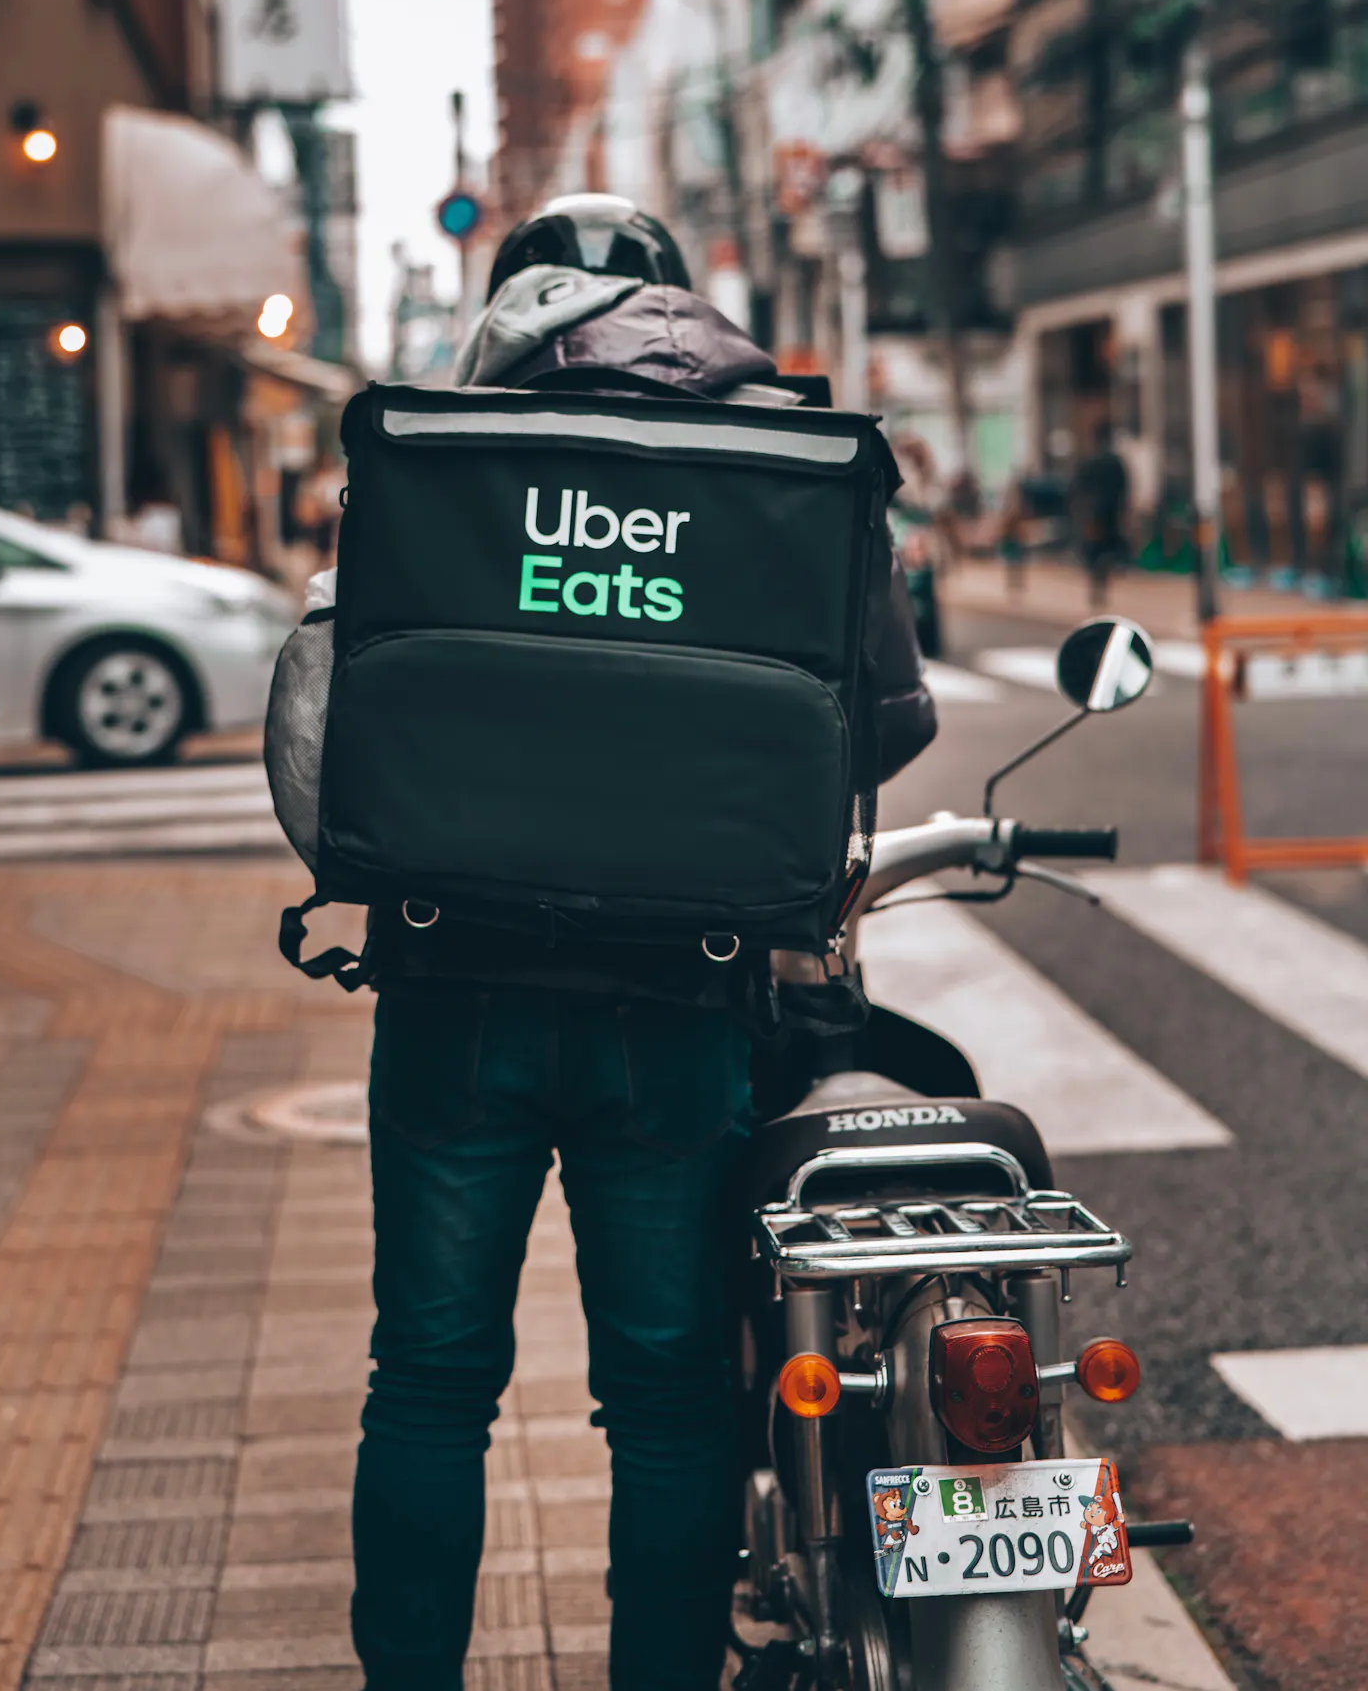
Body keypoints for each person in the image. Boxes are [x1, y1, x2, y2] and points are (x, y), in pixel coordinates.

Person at [347, 198, 937, 1691]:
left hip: (450, 975)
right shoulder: (787, 462)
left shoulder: (440, 455)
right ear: (682, 308)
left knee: (426, 1383)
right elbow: (888, 719)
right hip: (686, 994)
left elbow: (342, 704)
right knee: (668, 1401)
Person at [1074, 421, 1132, 608]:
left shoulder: (1091, 461)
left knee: (1096, 552)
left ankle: (1097, 588)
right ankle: (1101, 586)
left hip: (1095, 515)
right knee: (1106, 552)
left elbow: (1080, 489)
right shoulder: (1115, 462)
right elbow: (1125, 490)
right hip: (1111, 514)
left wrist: (1084, 514)